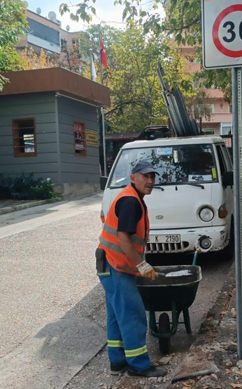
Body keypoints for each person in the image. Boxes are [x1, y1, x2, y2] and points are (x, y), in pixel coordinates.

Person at [95, 161, 167, 378]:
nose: (150, 181)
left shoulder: (132, 197)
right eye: (145, 177)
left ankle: (117, 362)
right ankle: (139, 365)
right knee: (133, 314)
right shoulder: (130, 201)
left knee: (118, 316)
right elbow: (123, 239)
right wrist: (142, 265)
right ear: (133, 177)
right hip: (115, 265)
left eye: (152, 177)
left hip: (109, 264)